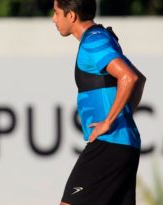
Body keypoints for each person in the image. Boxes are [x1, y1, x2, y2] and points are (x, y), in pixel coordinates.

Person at [52, 0, 146, 204]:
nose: (54, 19)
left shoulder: (93, 42)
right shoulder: (101, 37)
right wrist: (123, 116)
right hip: (122, 145)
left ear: (71, 16)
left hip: (109, 145)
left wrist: (109, 121)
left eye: (56, 13)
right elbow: (139, 80)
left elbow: (130, 78)